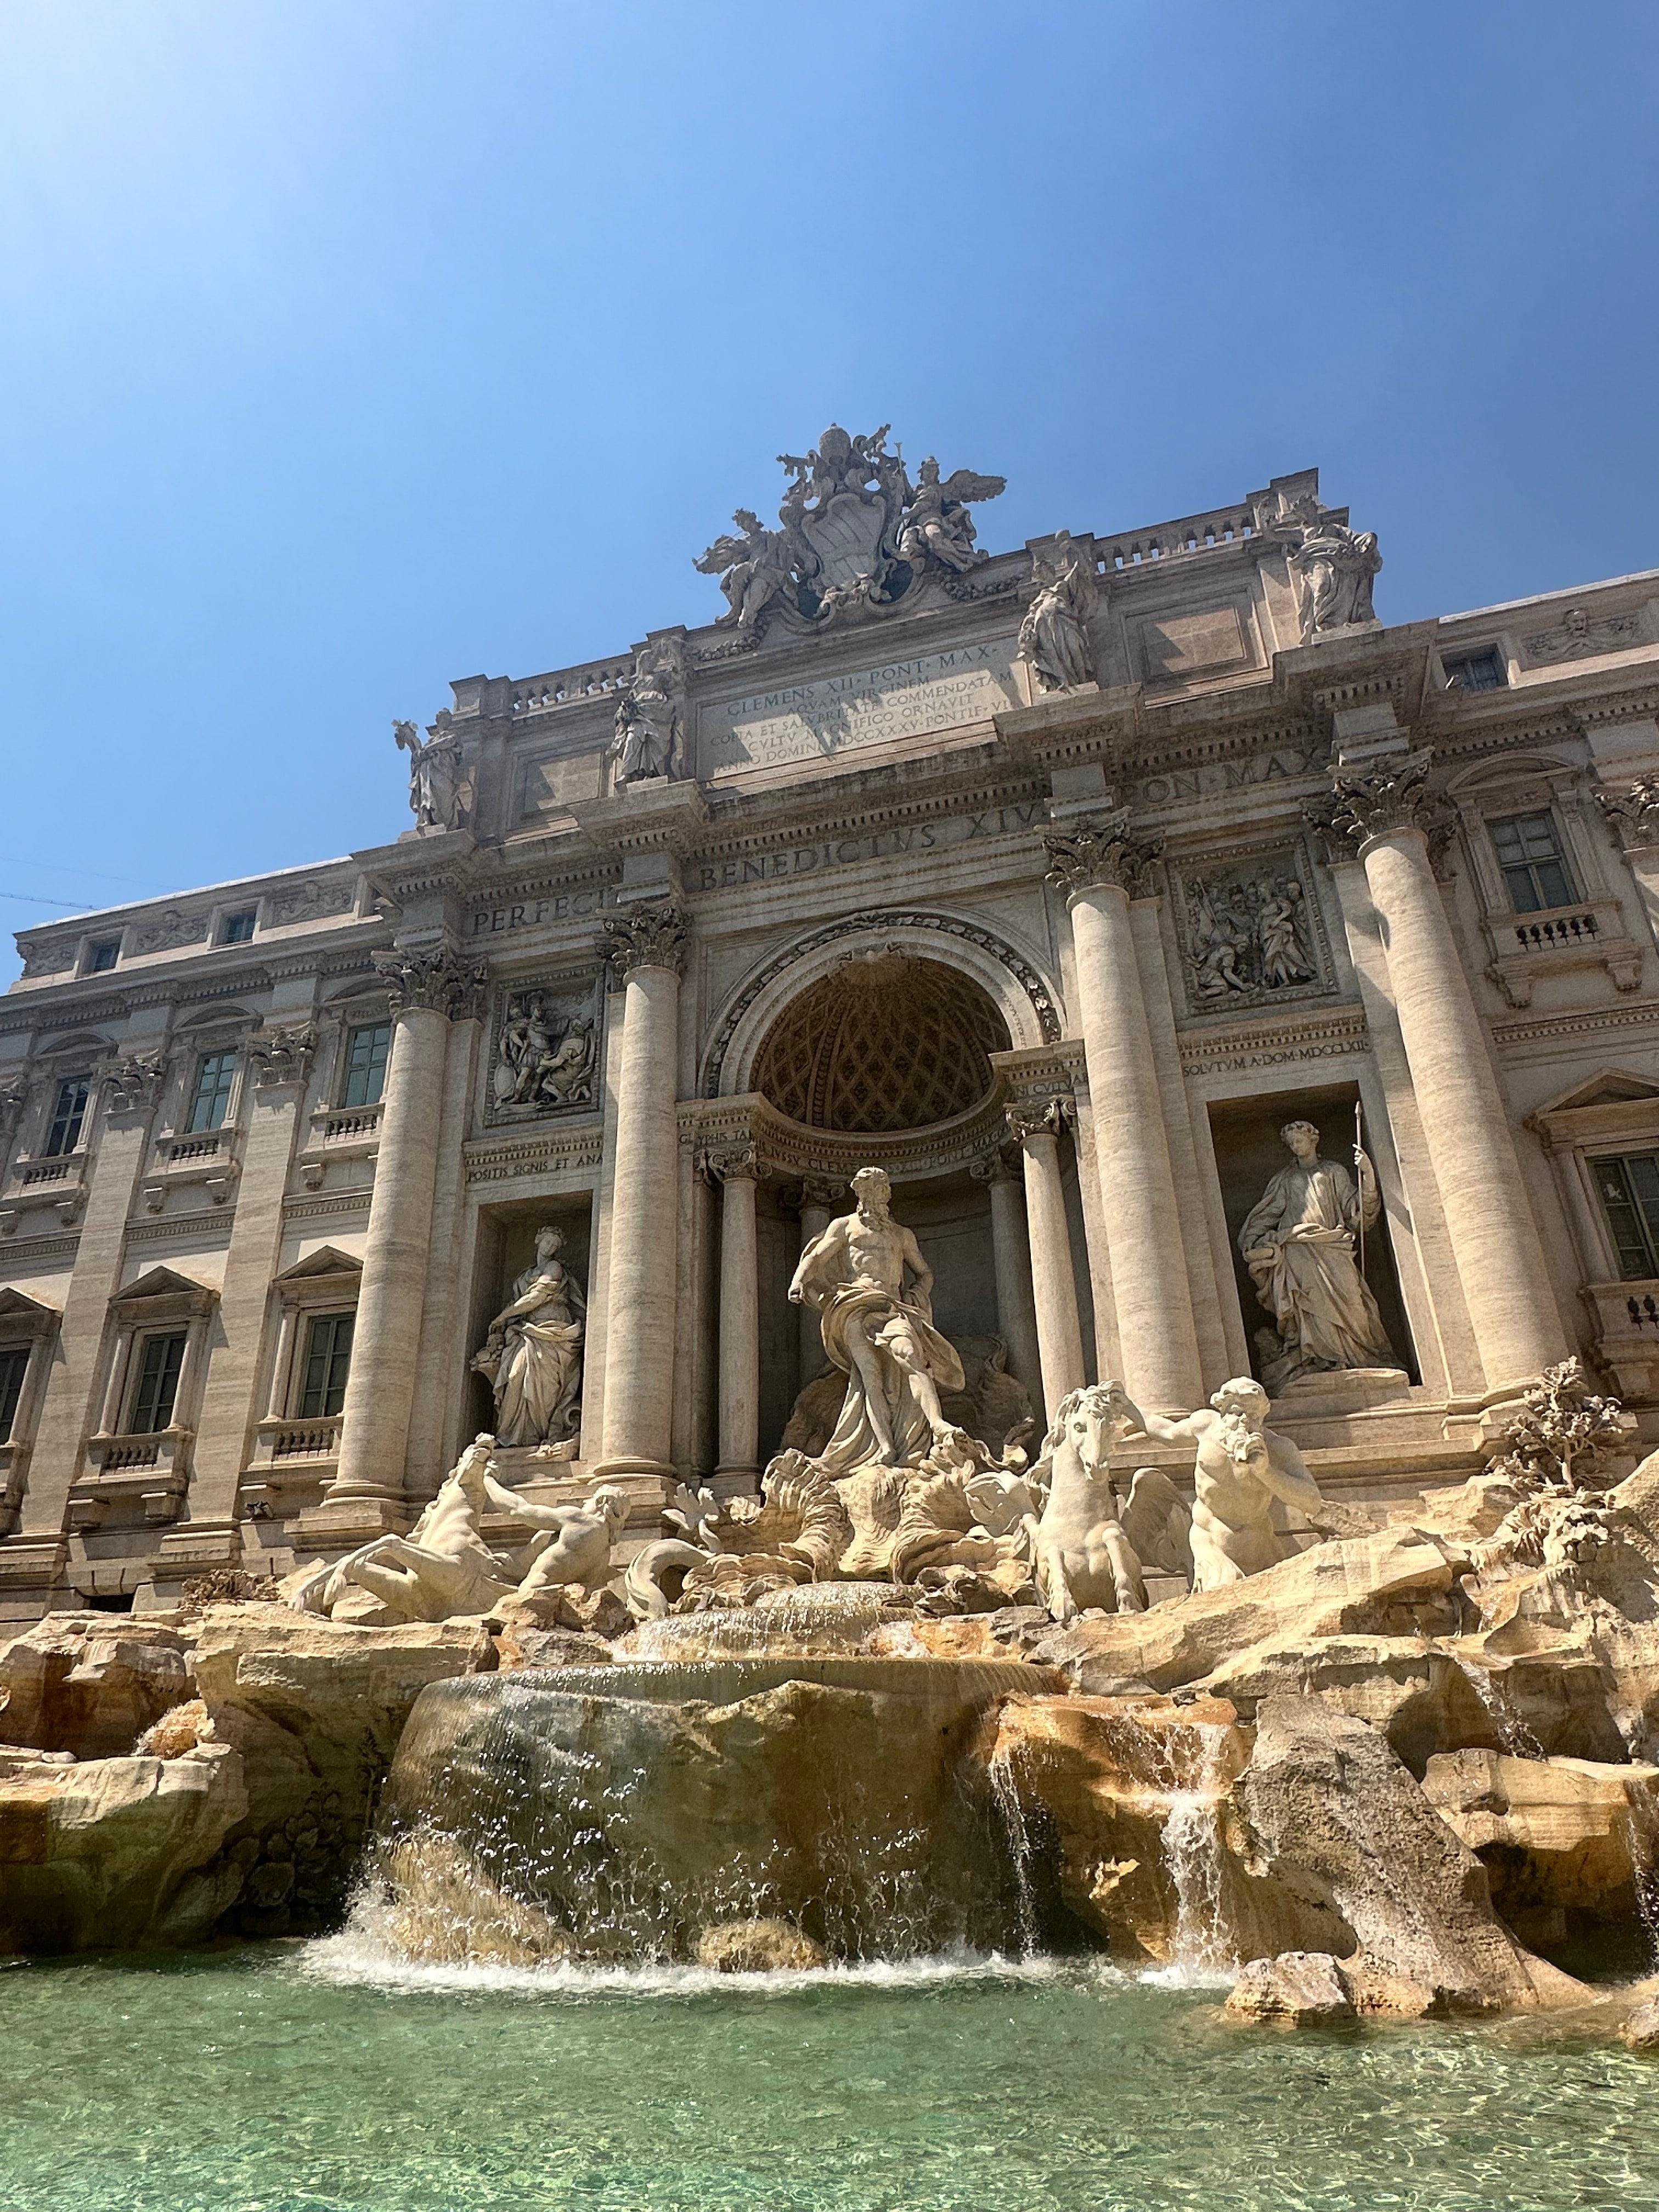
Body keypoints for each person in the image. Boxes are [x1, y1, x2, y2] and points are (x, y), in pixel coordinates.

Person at [788, 1166, 964, 1471]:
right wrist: (798, 1281)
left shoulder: (901, 1234)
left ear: (887, 1194)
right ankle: (884, 1447)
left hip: (893, 1306)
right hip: (856, 1304)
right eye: (868, 1189)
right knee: (871, 1377)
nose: (875, 1195)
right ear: (859, 1193)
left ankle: (936, 1424)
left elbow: (925, 1272)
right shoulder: (845, 1227)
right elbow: (816, 1258)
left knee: (911, 1356)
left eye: (880, 1189)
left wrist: (917, 1293)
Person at [1106, 1378, 1325, 1589]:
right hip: (1208, 1539)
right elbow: (1166, 1431)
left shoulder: (1278, 1448)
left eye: (1254, 1416)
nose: (1245, 1422)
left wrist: (1266, 1471)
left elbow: (1312, 1501)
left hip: (1257, 1545)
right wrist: (1128, 1408)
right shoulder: (1206, 1425)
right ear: (1223, 1411)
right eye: (1237, 1413)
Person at [1238, 1119, 1396, 1384]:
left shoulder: (1334, 1171)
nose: (1295, 1146)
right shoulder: (1285, 1180)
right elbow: (1267, 1214)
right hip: (1297, 1249)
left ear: (1313, 1140)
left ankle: (1361, 1357)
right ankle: (1317, 1360)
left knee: (1353, 1304)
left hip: (1333, 1245)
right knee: (1307, 1307)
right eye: (1291, 1143)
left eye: (1299, 1140)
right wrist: (1253, 1241)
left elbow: (1355, 1212)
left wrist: (1367, 1175)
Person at [472, 1225, 585, 1447]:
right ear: (537, 1240)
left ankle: (536, 1437)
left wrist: (504, 1316)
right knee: (515, 1377)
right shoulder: (525, 1275)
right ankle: (513, 1437)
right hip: (526, 1331)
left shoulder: (554, 1268)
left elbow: (535, 1298)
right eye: (548, 1242)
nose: (551, 1248)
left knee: (545, 1386)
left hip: (553, 1333)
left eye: (555, 1245)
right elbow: (521, 1303)